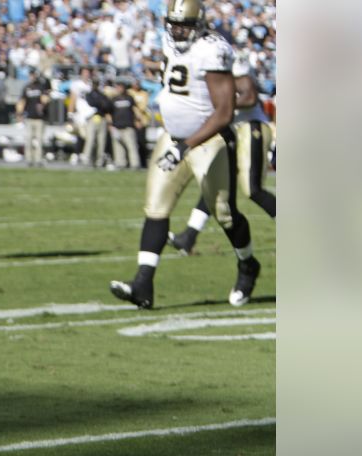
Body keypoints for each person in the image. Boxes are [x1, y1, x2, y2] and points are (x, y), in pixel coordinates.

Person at [109, 0, 260, 309]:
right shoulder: (168, 40)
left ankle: (248, 265)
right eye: (174, 24)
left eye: (185, 25)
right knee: (156, 208)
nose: (178, 31)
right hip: (173, 137)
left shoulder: (212, 50)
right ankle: (143, 284)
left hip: (209, 142)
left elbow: (224, 112)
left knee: (225, 213)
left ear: (200, 23)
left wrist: (185, 145)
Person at [169, 51, 276, 255]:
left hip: (251, 128)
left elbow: (250, 96)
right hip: (235, 133)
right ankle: (189, 237)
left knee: (253, 190)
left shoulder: (225, 59)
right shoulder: (197, 63)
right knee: (217, 187)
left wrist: (222, 105)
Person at [17, 74, 50, 168]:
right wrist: (19, 113)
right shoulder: (27, 87)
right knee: (29, 139)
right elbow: (22, 101)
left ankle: (38, 159)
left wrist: (43, 104)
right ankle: (29, 159)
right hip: (29, 117)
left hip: (40, 118)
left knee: (39, 139)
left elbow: (46, 98)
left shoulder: (41, 87)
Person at [108, 80, 141, 171]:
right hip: (117, 126)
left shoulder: (129, 98)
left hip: (128, 126)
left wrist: (138, 120)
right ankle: (120, 163)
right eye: (118, 87)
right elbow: (109, 113)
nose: (119, 89)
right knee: (118, 147)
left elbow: (135, 110)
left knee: (132, 146)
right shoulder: (114, 99)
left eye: (120, 87)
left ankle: (135, 164)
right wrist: (110, 125)